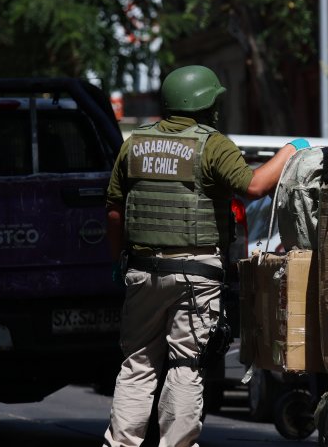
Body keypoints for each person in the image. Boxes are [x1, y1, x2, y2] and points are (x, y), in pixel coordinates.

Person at [102, 65, 308, 447]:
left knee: (137, 365)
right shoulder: (210, 144)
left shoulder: (133, 144)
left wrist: (119, 262)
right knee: (184, 364)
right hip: (194, 276)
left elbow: (114, 209)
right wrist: (292, 149)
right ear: (203, 105)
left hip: (142, 272)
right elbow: (255, 185)